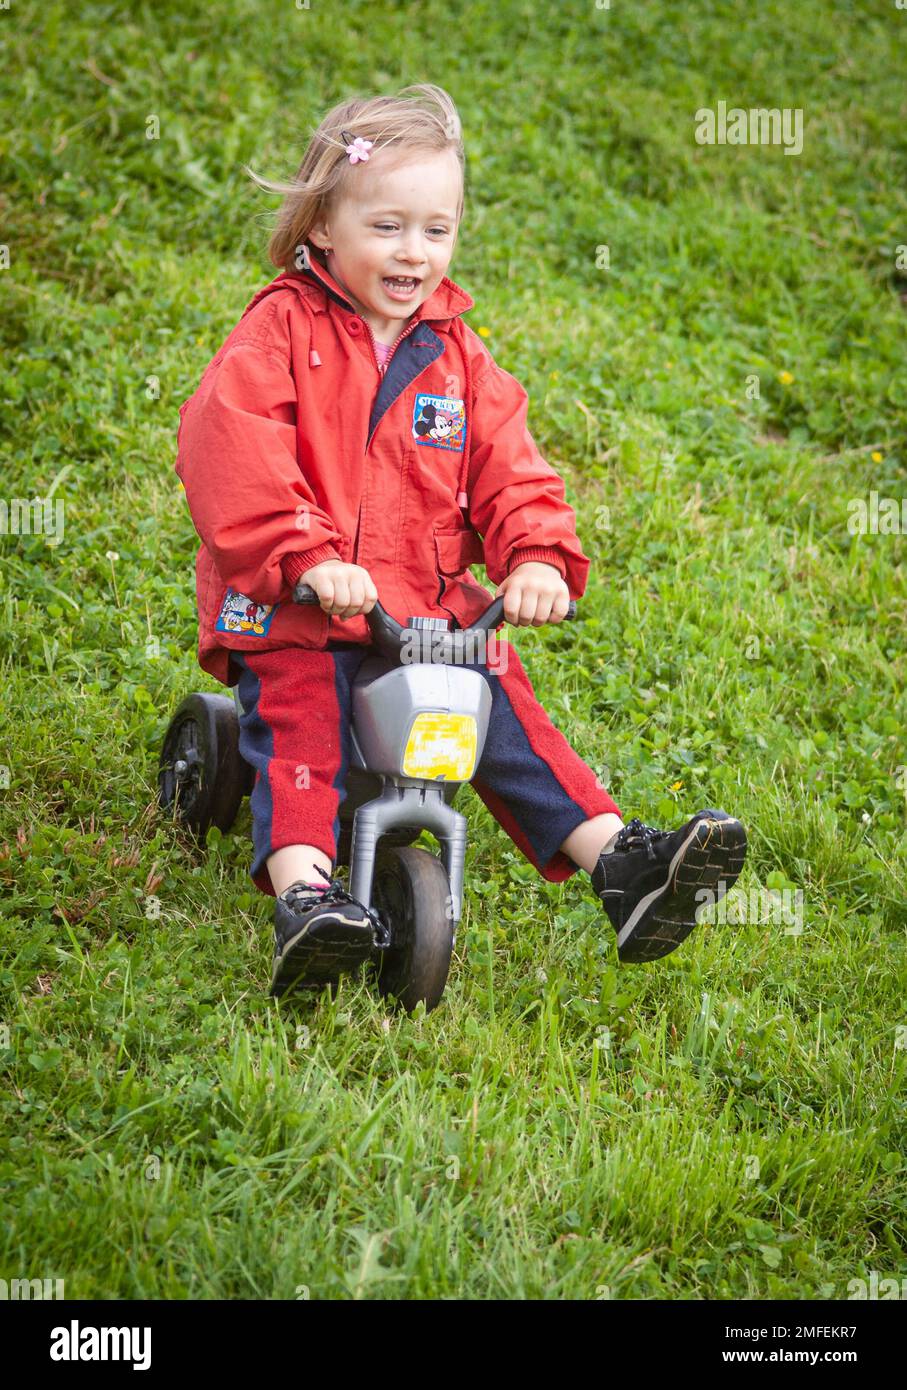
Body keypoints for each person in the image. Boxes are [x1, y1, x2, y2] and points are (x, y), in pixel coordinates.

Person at [175, 83, 747, 998]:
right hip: (299, 607)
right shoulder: (280, 330)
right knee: (301, 725)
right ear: (322, 226)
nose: (414, 253)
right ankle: (307, 896)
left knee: (502, 712)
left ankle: (621, 866)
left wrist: (535, 558)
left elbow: (511, 469)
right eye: (388, 227)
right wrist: (308, 559)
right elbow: (230, 446)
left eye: (435, 231)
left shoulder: (456, 356)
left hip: (422, 613)